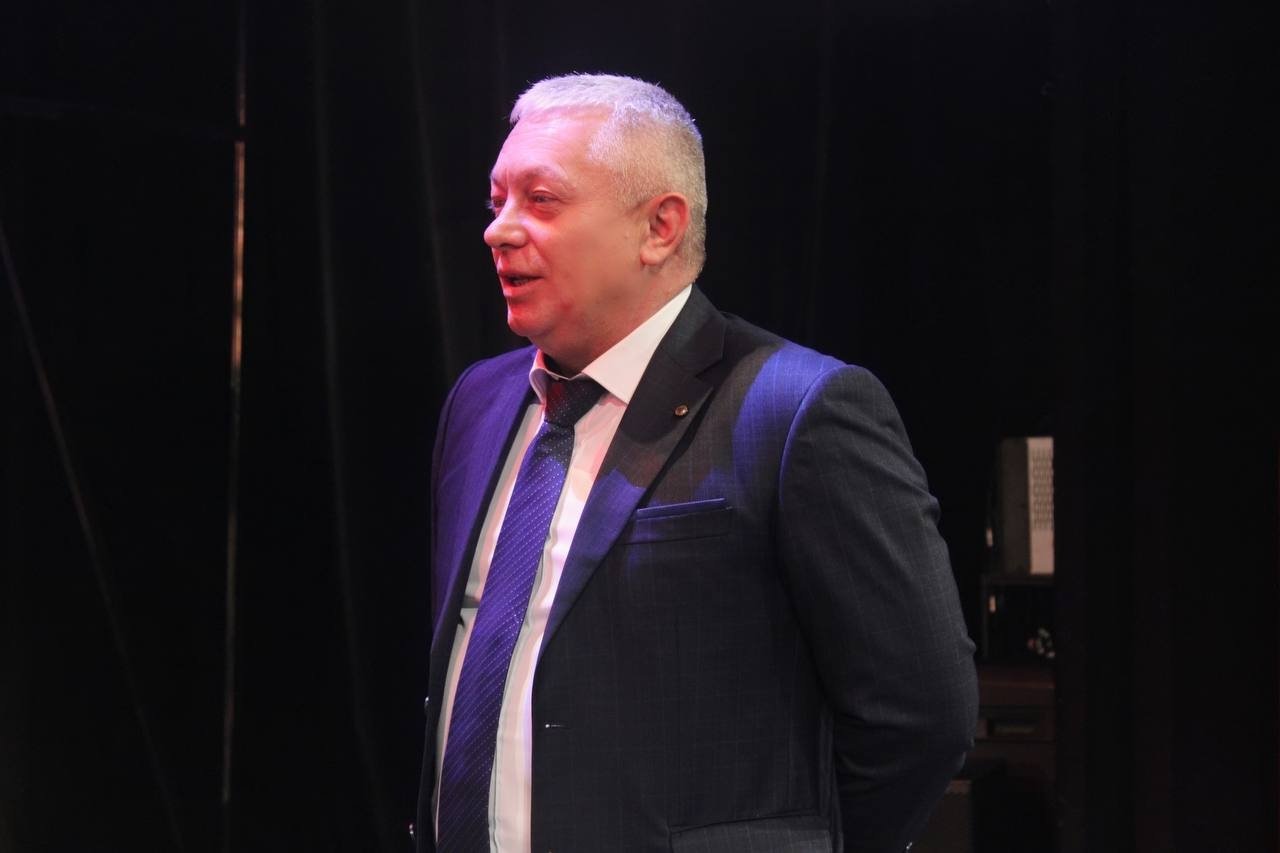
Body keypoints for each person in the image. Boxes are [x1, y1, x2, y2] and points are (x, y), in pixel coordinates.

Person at [415, 73, 977, 853]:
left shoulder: (797, 411)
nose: (499, 231)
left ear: (660, 227)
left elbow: (922, 714)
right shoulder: (478, 404)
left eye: (540, 200)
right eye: (496, 200)